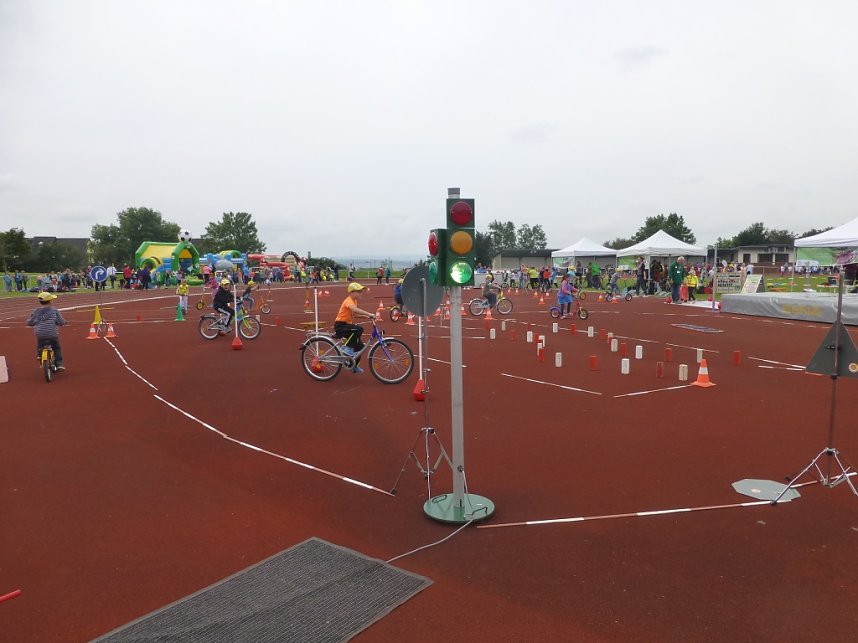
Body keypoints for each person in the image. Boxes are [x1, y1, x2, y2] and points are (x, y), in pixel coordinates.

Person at [334, 282, 376, 374]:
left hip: (346, 326)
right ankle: (346, 348)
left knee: (360, 347)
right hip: (340, 326)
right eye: (359, 291)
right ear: (352, 292)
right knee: (359, 329)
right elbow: (354, 309)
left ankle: (353, 366)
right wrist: (369, 313)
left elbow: (355, 314)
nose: (361, 293)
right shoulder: (348, 301)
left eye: (361, 291)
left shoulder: (354, 301)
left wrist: (368, 317)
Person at [27, 291, 67, 370]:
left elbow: (30, 322)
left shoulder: (35, 311)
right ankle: (59, 364)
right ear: (51, 301)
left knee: (40, 340)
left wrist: (32, 323)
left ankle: (39, 354)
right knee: (56, 347)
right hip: (52, 334)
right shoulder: (54, 311)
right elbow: (61, 321)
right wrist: (63, 323)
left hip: (40, 334)